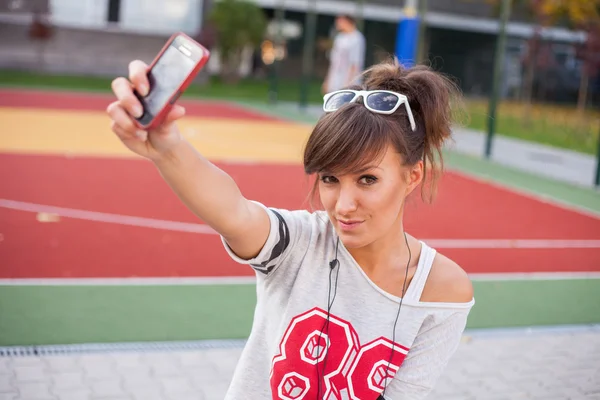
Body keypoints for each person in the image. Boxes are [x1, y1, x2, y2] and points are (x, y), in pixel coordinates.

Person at [106, 57, 474, 400]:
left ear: (413, 177)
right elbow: (234, 213)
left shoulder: (442, 290)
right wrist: (168, 148)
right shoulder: (298, 244)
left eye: (367, 179)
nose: (343, 205)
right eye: (330, 178)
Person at [322, 14, 366, 95]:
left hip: (348, 83)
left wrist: (348, 84)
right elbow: (334, 63)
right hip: (335, 81)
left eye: (340, 22)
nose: (337, 24)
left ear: (347, 22)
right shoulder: (339, 38)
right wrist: (327, 81)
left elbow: (355, 64)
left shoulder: (357, 38)